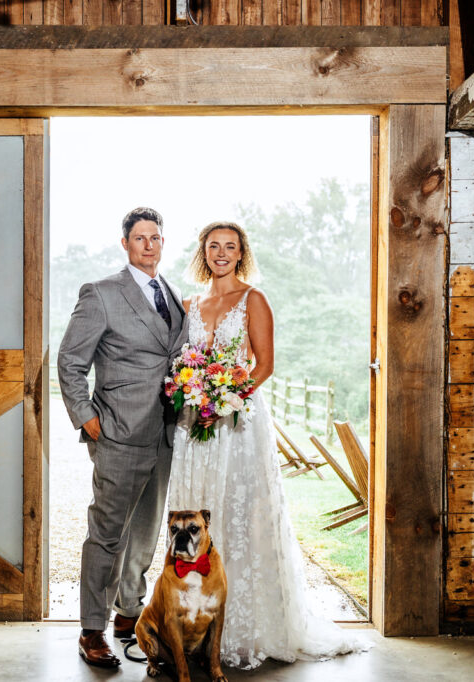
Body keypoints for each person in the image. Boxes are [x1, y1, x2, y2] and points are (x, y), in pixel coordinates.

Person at [168, 221, 370, 669]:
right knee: (194, 512)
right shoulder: (190, 303)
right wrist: (195, 396)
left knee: (240, 516)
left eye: (230, 247)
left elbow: (265, 365)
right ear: (204, 252)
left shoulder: (253, 299)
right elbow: (184, 360)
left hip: (237, 423)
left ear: (241, 254)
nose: (222, 253)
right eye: (214, 246)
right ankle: (190, 630)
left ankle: (245, 628)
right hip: (194, 423)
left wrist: (225, 399)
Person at [57, 207, 188, 669]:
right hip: (118, 433)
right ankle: (91, 630)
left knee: (146, 535)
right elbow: (71, 361)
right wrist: (86, 418)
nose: (148, 244)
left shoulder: (171, 295)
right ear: (125, 244)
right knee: (107, 535)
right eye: (139, 237)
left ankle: (126, 616)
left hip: (165, 434)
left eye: (155, 237)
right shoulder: (102, 293)